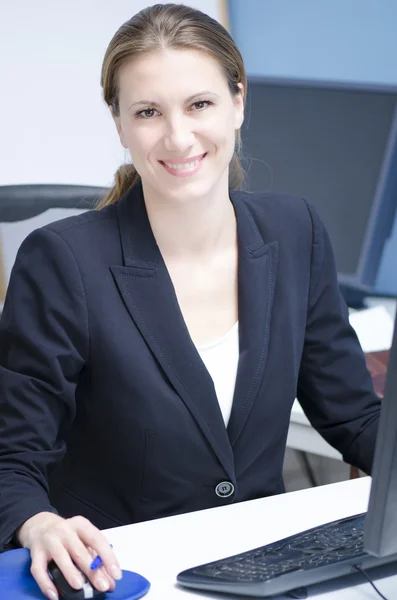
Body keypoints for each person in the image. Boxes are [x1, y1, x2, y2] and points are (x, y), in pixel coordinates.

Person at [0, 3, 381, 600]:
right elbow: (12, 456)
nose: (178, 137)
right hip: (124, 570)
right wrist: (38, 522)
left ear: (238, 103)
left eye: (199, 104)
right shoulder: (62, 262)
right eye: (148, 112)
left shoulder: (294, 229)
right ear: (120, 124)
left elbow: (354, 415)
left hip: (263, 567)